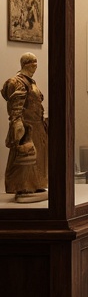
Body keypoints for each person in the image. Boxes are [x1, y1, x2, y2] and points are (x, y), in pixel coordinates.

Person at [3, 51, 48, 202]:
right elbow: (15, 105)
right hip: (27, 126)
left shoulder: (31, 82)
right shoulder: (17, 82)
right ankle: (23, 187)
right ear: (25, 64)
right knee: (25, 156)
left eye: (36, 63)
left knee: (38, 157)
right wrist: (17, 123)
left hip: (37, 125)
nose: (35, 66)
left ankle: (35, 184)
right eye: (32, 63)